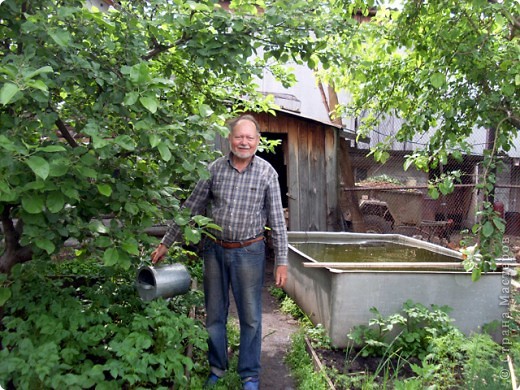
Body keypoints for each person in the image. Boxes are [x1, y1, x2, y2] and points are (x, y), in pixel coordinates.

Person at [151, 114, 288, 390]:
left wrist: (282, 261)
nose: (244, 142)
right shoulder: (213, 170)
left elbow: (277, 219)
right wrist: (166, 242)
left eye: (250, 138)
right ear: (230, 138)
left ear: (257, 141)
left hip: (249, 251)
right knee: (214, 313)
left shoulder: (267, 173)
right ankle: (217, 368)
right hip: (214, 251)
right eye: (239, 136)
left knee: (250, 316)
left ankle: (249, 374)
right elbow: (190, 208)